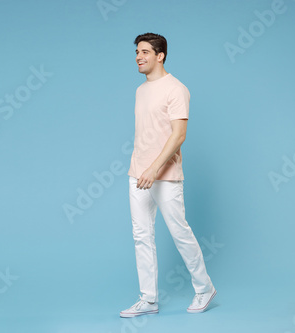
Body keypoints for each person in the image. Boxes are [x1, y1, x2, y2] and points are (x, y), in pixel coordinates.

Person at [120, 33, 216, 318]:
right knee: (141, 235)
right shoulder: (140, 90)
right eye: (137, 52)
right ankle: (148, 299)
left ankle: (204, 287)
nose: (139, 56)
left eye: (145, 52)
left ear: (160, 55)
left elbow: (179, 135)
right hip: (137, 173)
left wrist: (154, 169)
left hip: (166, 175)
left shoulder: (176, 89)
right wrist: (141, 167)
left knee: (179, 232)